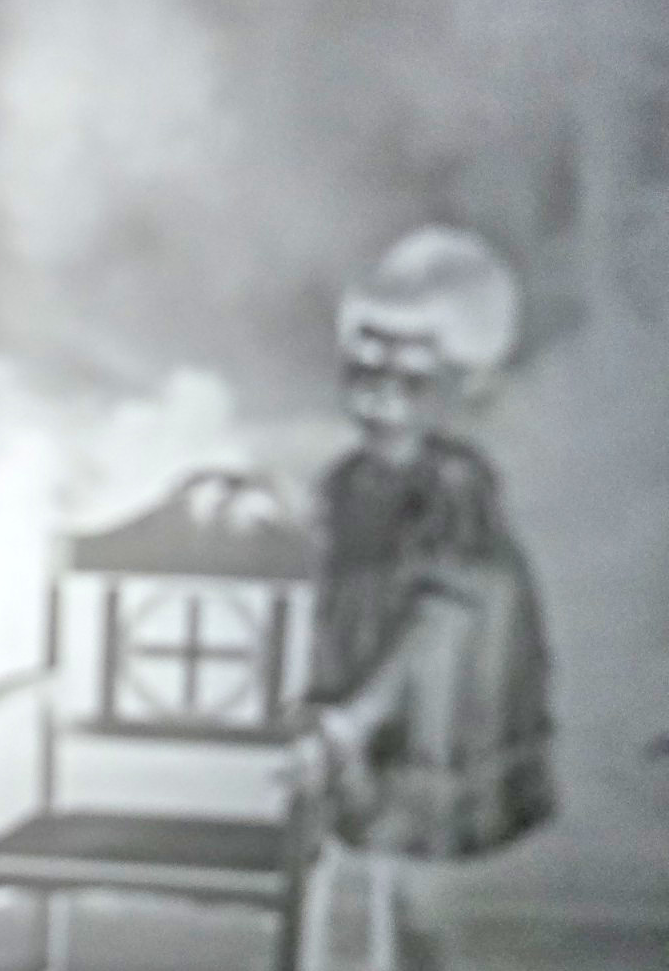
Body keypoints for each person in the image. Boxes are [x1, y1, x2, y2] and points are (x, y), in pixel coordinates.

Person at [293, 226, 556, 970]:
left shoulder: (455, 487)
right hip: (362, 693)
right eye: (362, 371)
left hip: (433, 707)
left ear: (456, 387)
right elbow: (325, 583)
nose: (377, 396)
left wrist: (363, 712)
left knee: (417, 883)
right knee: (356, 866)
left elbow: (441, 619)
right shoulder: (345, 483)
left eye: (410, 381)